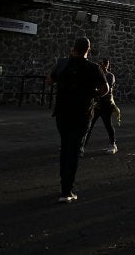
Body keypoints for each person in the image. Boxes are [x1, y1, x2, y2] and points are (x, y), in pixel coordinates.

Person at [47, 37, 109, 203]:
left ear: (73, 48)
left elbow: (49, 80)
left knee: (65, 147)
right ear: (88, 49)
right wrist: (93, 94)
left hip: (62, 112)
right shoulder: (93, 67)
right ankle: (67, 190)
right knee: (74, 150)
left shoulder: (62, 63)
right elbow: (105, 88)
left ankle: (64, 185)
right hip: (82, 113)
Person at [84, 58, 118, 154]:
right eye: (100, 64)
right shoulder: (97, 75)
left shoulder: (110, 76)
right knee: (89, 126)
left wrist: (96, 91)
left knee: (108, 125)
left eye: (103, 64)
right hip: (96, 104)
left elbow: (106, 89)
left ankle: (113, 144)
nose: (102, 65)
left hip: (106, 104)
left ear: (107, 65)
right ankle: (82, 146)